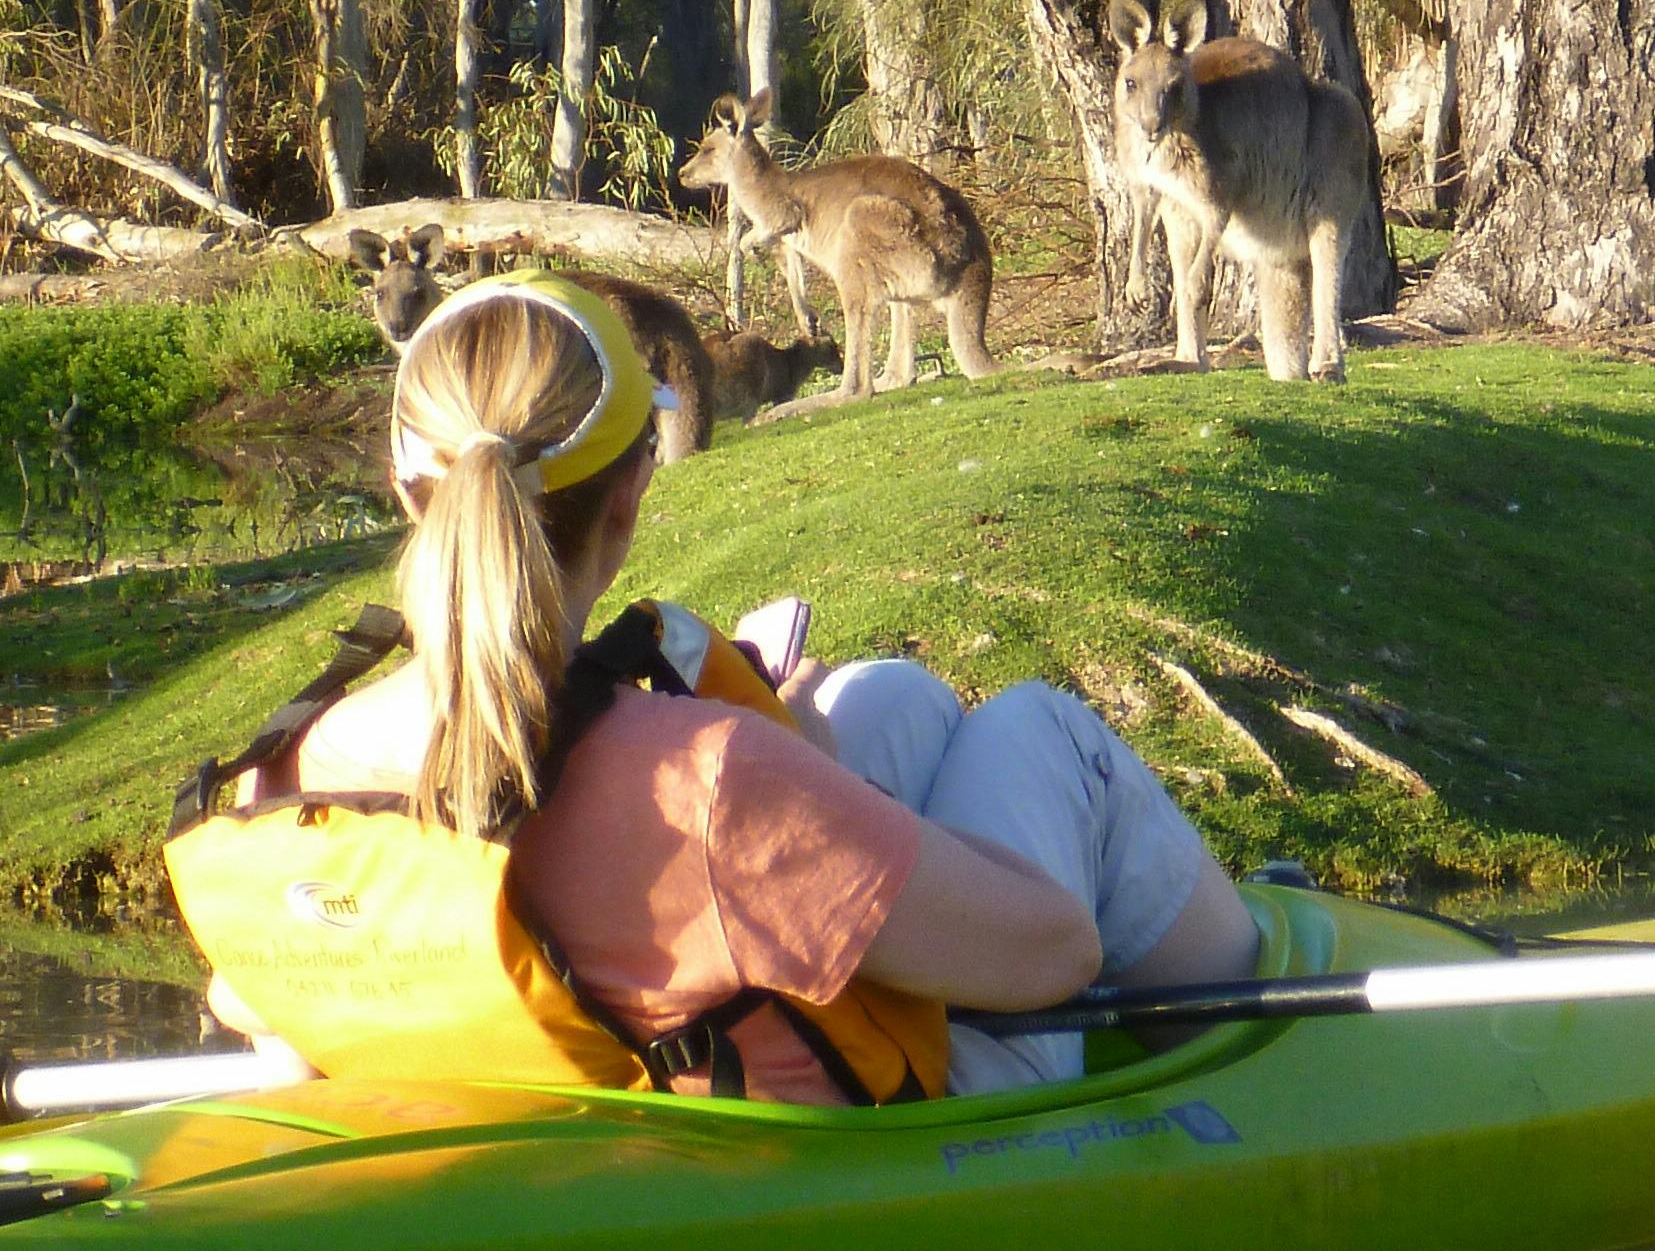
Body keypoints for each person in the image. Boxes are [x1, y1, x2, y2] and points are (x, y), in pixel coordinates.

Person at [179, 273, 1256, 1104]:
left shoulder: (287, 768)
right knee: (1039, 728)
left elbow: (252, 1000)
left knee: (896, 699)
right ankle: (1262, 1050)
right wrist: (800, 783)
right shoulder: (706, 780)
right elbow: (1051, 951)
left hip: (542, 1102)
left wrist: (812, 770)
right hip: (841, 1152)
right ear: (635, 487)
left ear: (408, 492)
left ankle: (897, 826)